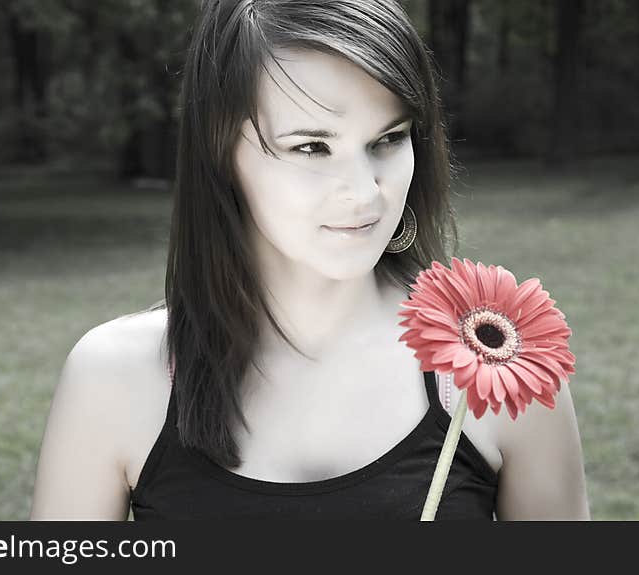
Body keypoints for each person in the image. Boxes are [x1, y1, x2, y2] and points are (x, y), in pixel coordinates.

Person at [30, 0, 591, 520]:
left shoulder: (499, 375)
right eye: (312, 147)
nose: (365, 192)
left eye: (388, 139)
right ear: (219, 152)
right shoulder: (115, 379)